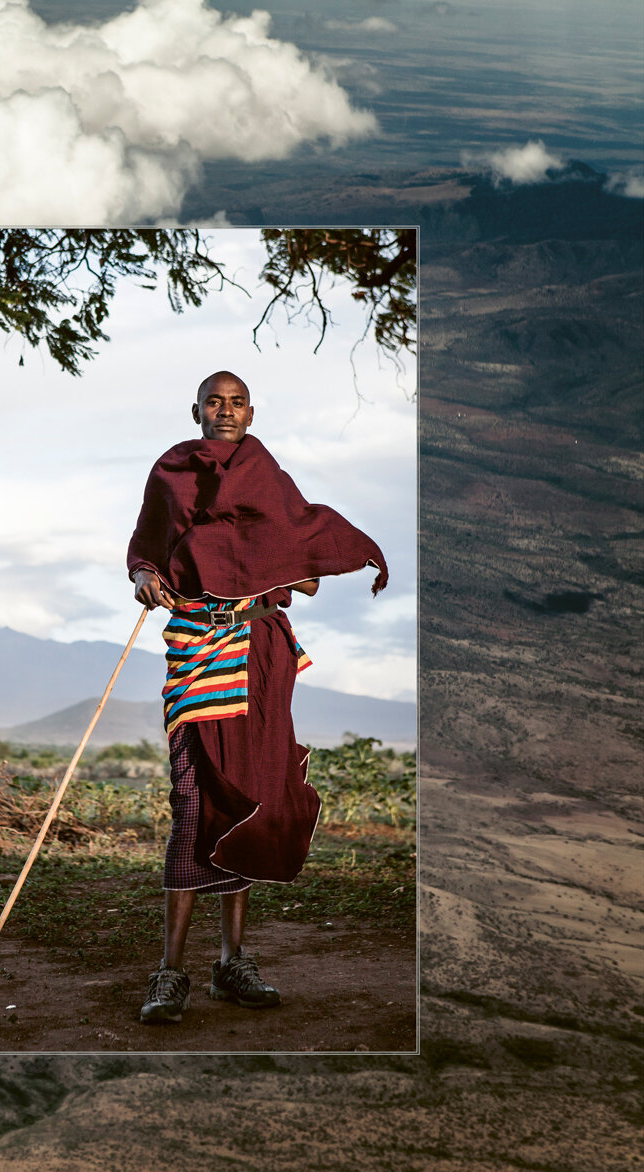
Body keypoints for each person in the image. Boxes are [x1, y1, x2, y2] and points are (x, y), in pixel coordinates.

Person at [126, 371, 387, 1025]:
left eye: (236, 402)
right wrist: (145, 578)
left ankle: (231, 963)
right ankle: (170, 972)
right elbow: (145, 552)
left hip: (257, 658)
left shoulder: (268, 478)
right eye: (213, 402)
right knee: (194, 808)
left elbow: (306, 569)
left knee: (250, 800)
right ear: (196, 411)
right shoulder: (172, 473)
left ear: (251, 411)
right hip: (195, 657)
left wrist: (278, 563)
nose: (225, 411)